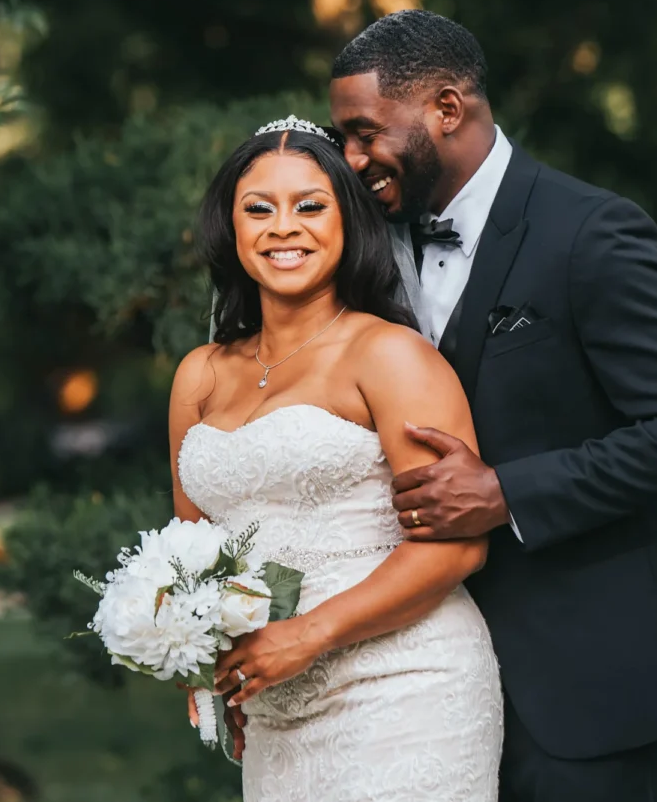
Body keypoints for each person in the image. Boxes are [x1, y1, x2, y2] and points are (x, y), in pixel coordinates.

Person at [328, 9, 657, 802]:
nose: (350, 157)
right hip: (431, 691)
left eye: (364, 131)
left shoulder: (591, 232)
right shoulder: (369, 251)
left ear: (447, 109)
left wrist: (505, 491)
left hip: (591, 672)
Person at [169, 117, 504, 802]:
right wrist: (198, 654)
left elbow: (457, 548)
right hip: (273, 705)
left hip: (405, 687)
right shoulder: (198, 375)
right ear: (230, 230)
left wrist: (307, 635)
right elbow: (193, 553)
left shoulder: (389, 356)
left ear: (347, 220)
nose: (282, 227)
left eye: (309, 206)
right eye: (258, 209)